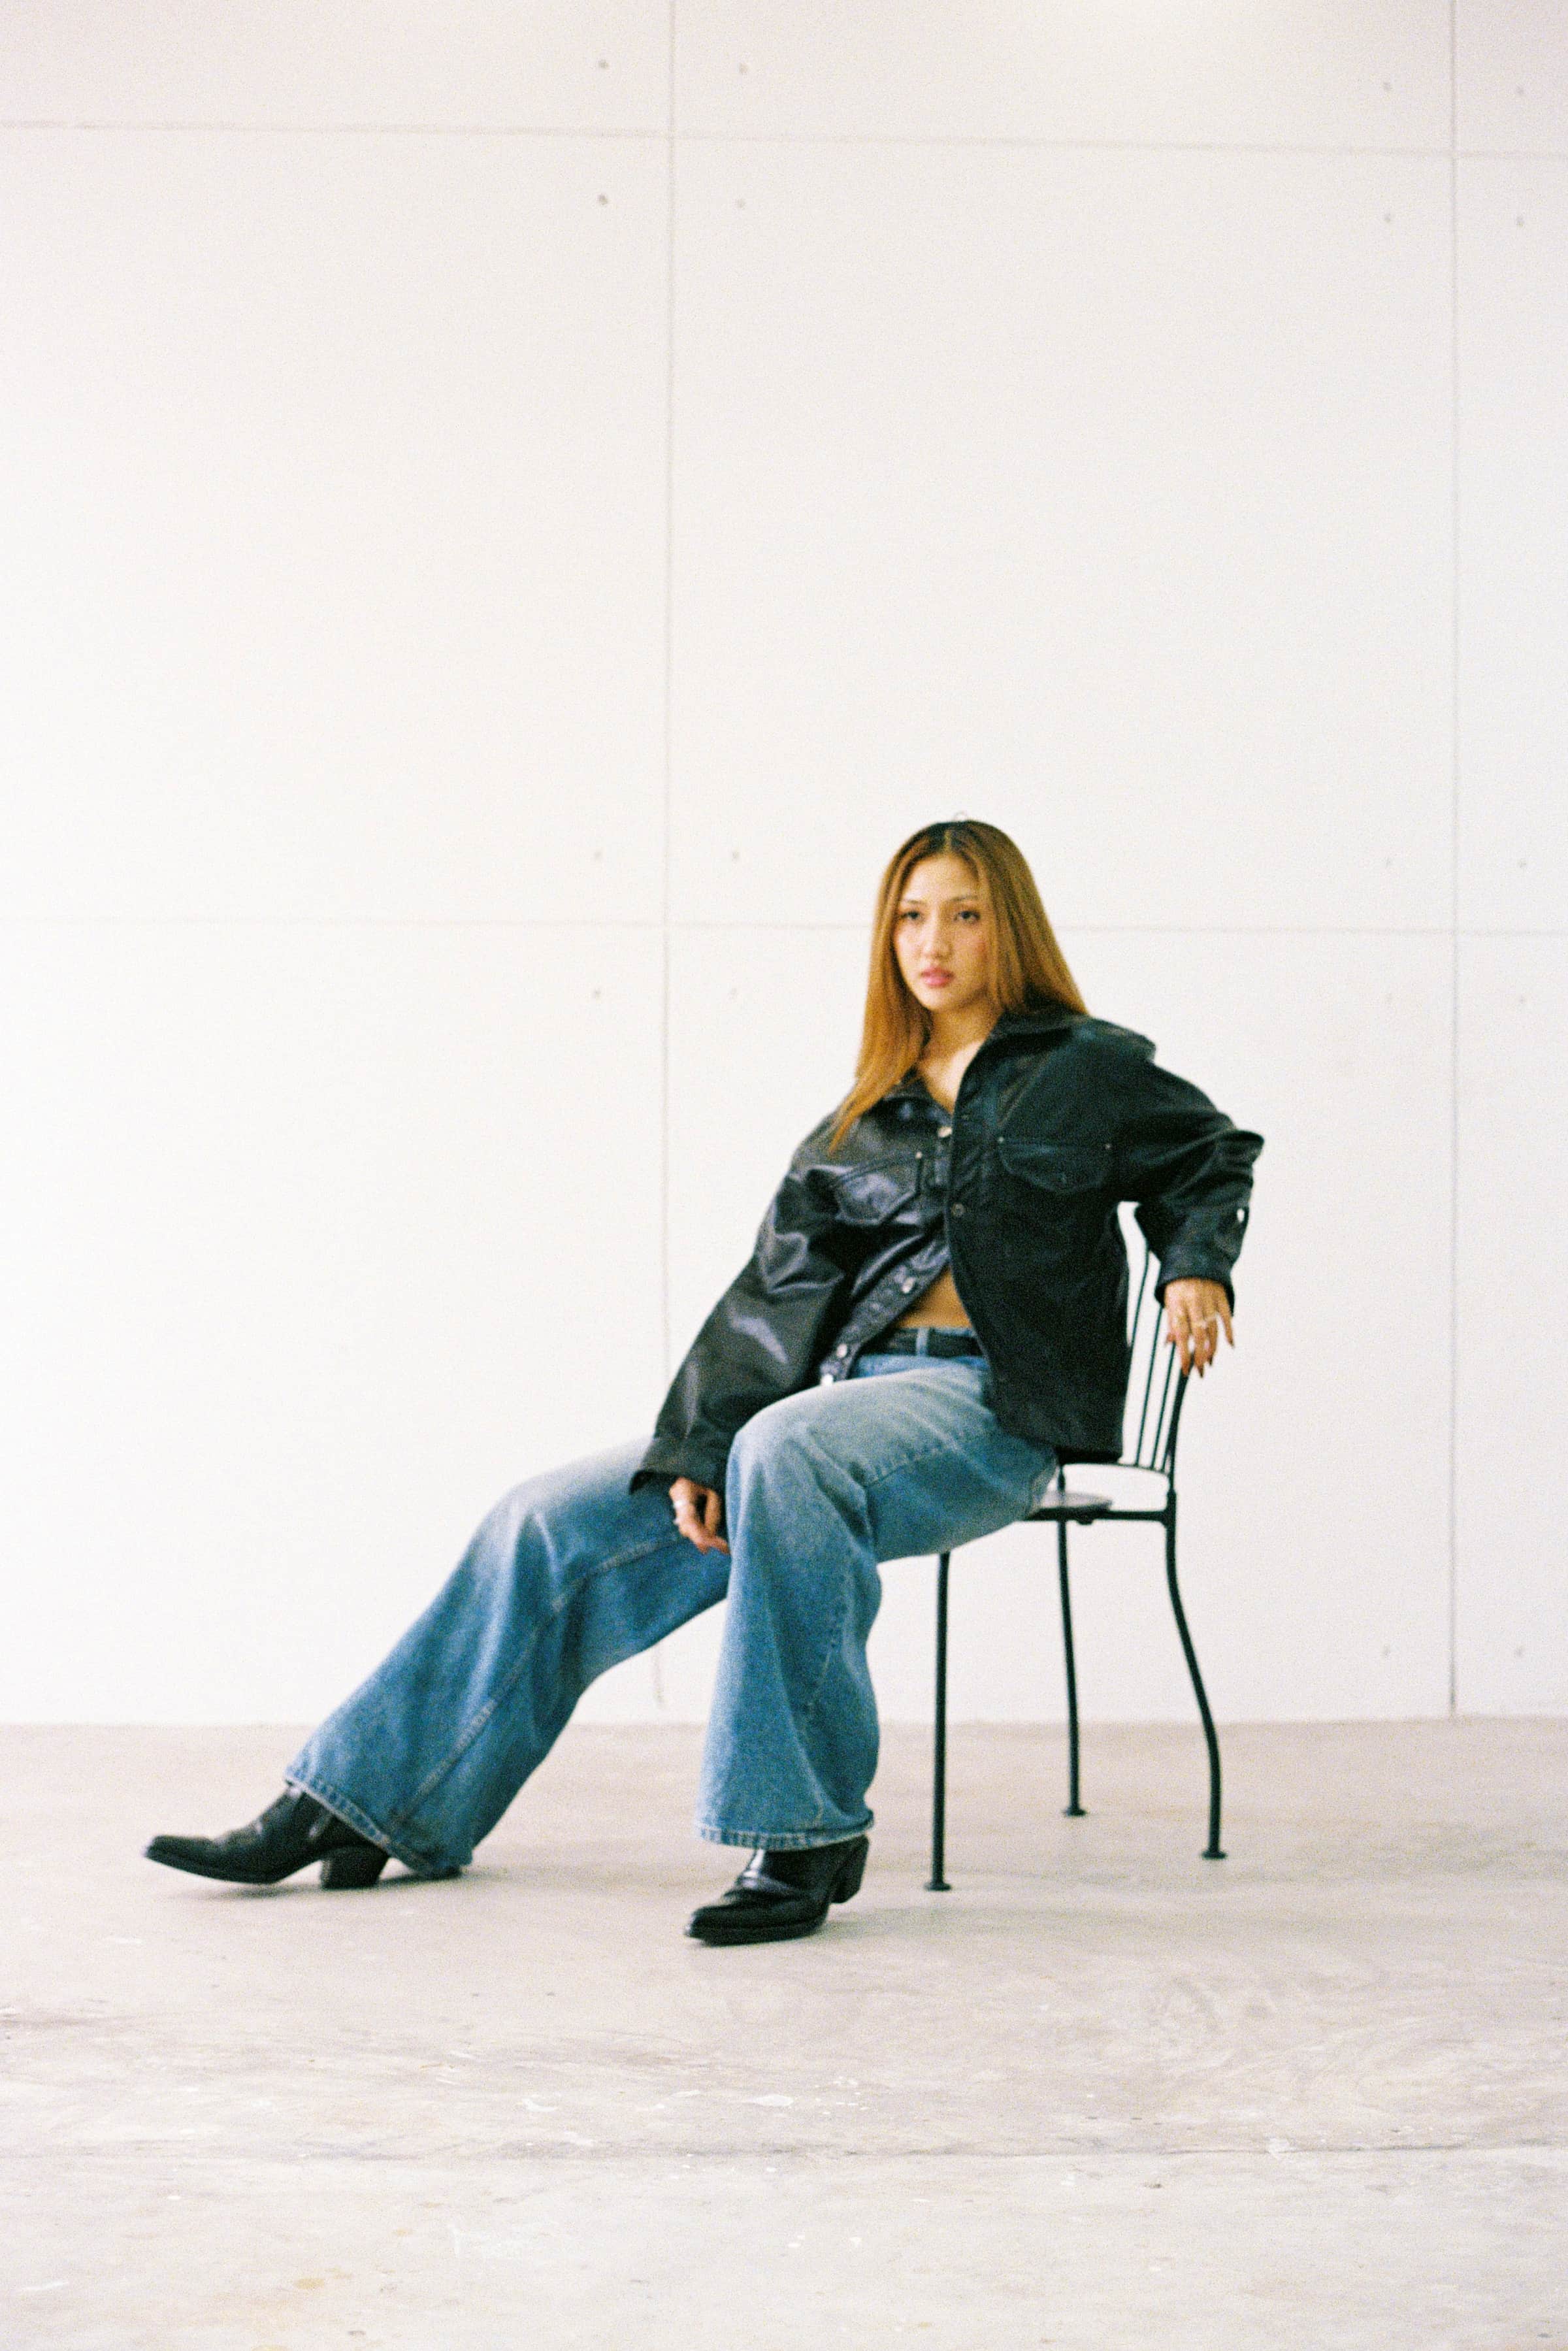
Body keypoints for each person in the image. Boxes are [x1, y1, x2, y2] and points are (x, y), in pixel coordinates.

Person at [144, 818, 1262, 1945]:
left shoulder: (1088, 1069)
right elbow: (771, 1297)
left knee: (786, 1449)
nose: (934, 942)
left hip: (993, 1410)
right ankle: (361, 1802)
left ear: (1007, 927)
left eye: (964, 915)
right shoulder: (862, 1118)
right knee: (548, 1518)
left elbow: (1211, 1153)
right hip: (835, 1407)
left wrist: (1195, 1264)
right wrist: (697, 1447)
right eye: (911, 917)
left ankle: (804, 1831)